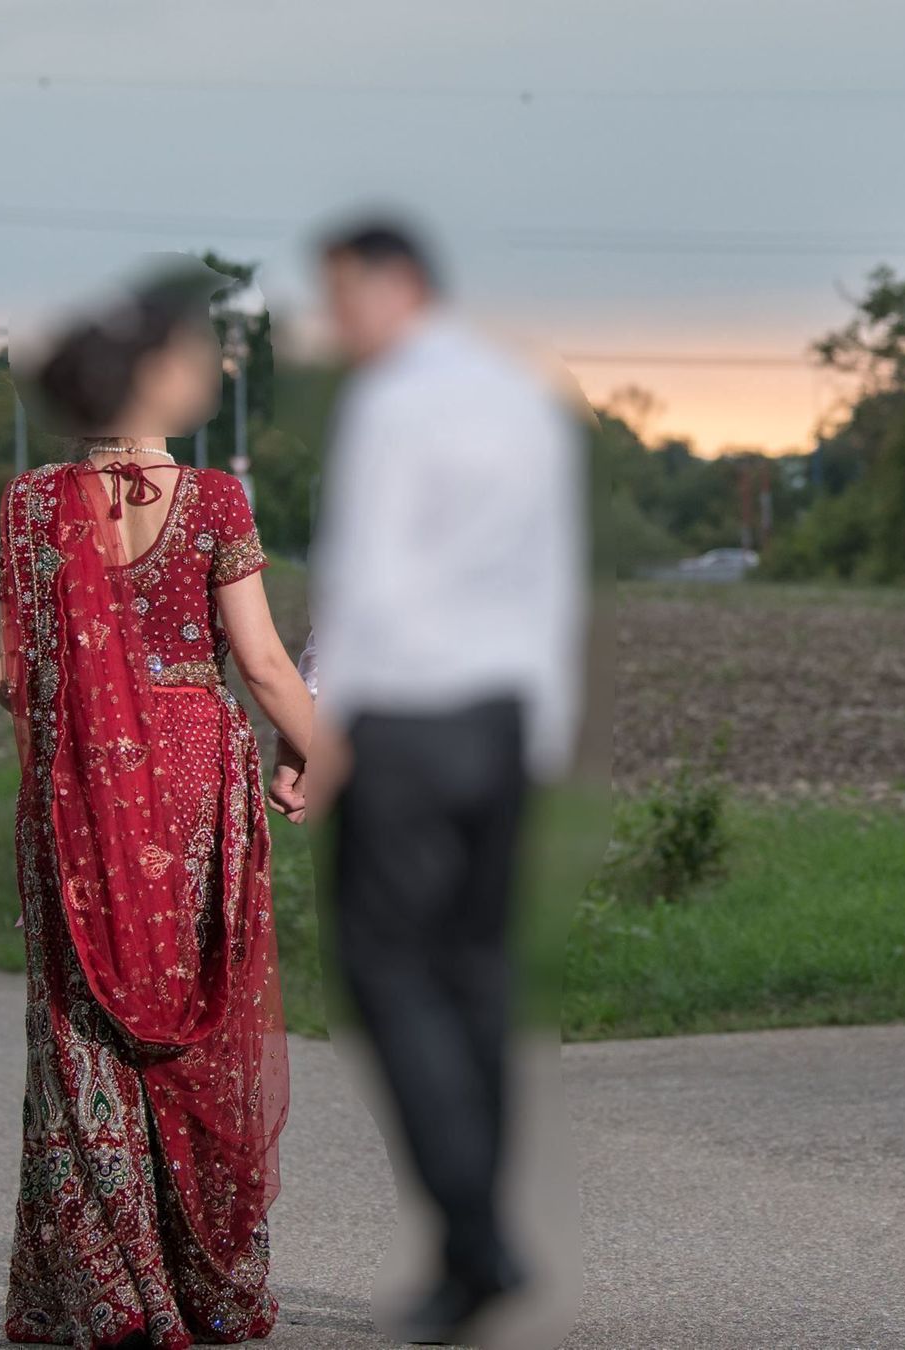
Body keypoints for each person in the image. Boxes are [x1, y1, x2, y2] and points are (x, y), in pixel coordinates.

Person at [0, 260, 314, 1350]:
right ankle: (208, 1286)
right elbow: (261, 664)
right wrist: (324, 753)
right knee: (197, 1017)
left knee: (83, 1023)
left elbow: (8, 676)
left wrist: (87, 709)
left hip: (77, 786)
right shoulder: (214, 500)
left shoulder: (29, 505)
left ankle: (109, 1289)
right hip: (191, 776)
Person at [273, 221, 587, 1344]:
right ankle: (471, 1252)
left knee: (386, 975)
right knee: (476, 978)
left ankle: (479, 1235)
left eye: (341, 297)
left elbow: (366, 581)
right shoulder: (522, 392)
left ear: (396, 283)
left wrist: (321, 733)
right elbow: (551, 573)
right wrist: (543, 729)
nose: (334, 323)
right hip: (501, 722)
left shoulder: (392, 400)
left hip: (403, 723)